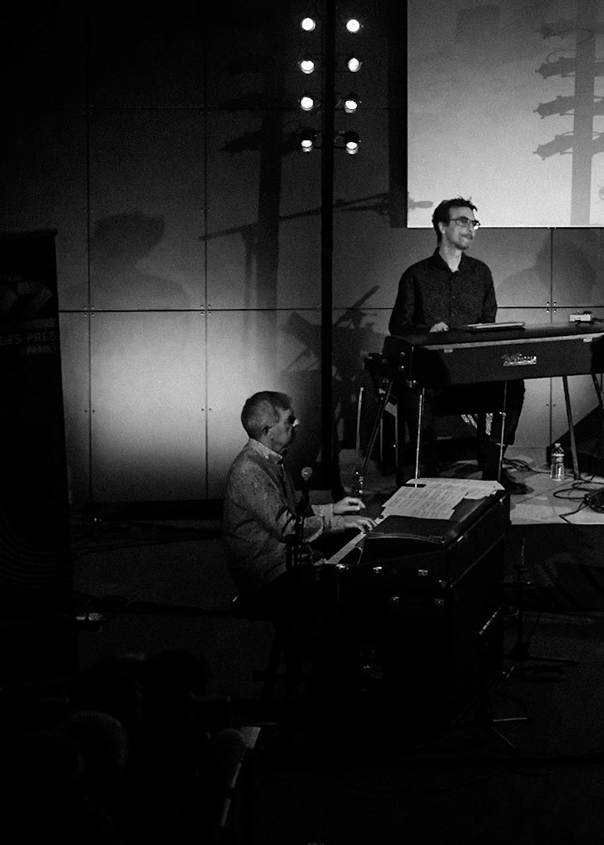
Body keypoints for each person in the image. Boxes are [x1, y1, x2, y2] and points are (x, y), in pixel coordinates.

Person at [389, 197, 528, 493]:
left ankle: (493, 466)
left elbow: (487, 321)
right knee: (414, 391)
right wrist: (428, 330)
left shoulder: (480, 273)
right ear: (442, 226)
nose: (470, 228)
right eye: (462, 221)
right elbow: (398, 326)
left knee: (513, 384)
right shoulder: (417, 274)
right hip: (432, 374)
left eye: (473, 223)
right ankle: (428, 470)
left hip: (472, 371)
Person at [221, 391, 372, 620]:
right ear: (267, 432)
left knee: (353, 562)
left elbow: (290, 513)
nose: (297, 423)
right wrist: (343, 522)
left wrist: (333, 509)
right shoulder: (249, 471)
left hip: (283, 560)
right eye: (289, 420)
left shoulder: (270, 459)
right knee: (350, 595)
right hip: (267, 576)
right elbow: (289, 528)